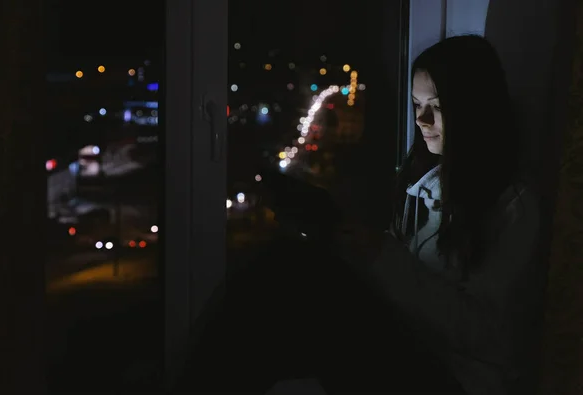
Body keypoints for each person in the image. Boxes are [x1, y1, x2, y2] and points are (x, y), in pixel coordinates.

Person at [180, 35, 543, 395]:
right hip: (410, 349)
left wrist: (383, 257)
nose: (421, 119)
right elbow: (405, 284)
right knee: (279, 286)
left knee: (286, 271)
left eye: (438, 105)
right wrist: (350, 243)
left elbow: (490, 336)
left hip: (455, 378)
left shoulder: (513, 207)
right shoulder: (424, 184)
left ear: (475, 106)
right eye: (416, 104)